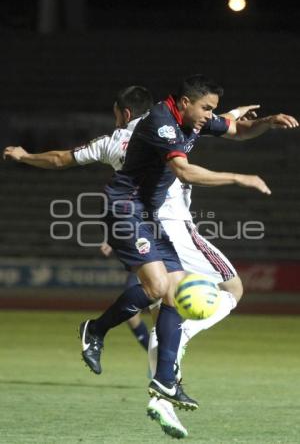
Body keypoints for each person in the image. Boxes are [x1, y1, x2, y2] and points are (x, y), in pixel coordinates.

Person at [4, 80, 298, 438]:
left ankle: (161, 380)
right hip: (134, 211)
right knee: (197, 289)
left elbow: (62, 158)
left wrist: (255, 120)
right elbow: (185, 170)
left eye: (211, 110)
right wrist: (239, 176)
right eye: (206, 109)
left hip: (148, 216)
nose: (209, 116)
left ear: (123, 113)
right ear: (185, 103)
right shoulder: (161, 125)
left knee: (168, 292)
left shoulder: (145, 131)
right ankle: (136, 345)